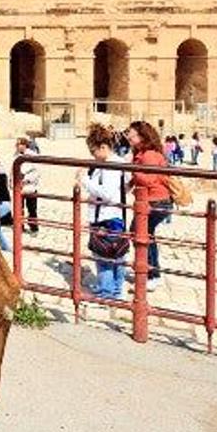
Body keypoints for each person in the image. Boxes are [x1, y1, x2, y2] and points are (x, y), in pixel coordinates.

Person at [78, 124, 127, 299]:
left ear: (103, 147)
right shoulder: (117, 163)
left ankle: (109, 291)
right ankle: (114, 289)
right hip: (114, 215)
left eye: (94, 152)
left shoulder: (110, 166)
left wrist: (84, 181)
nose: (93, 156)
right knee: (116, 254)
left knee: (104, 255)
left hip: (106, 217)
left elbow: (108, 194)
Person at [126, 120, 172, 291]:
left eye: (131, 134)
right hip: (151, 200)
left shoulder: (149, 155)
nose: (128, 136)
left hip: (157, 201)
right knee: (145, 235)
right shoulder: (142, 153)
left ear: (142, 136)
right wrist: (131, 182)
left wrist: (132, 170)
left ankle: (152, 274)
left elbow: (150, 178)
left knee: (141, 234)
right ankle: (149, 271)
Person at [16, 136, 40, 233]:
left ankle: (34, 227)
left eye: (19, 144)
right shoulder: (16, 155)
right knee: (19, 208)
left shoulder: (32, 156)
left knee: (32, 209)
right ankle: (20, 226)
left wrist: (26, 180)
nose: (17, 146)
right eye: (17, 144)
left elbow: (36, 172)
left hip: (29, 187)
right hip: (18, 187)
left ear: (24, 145)